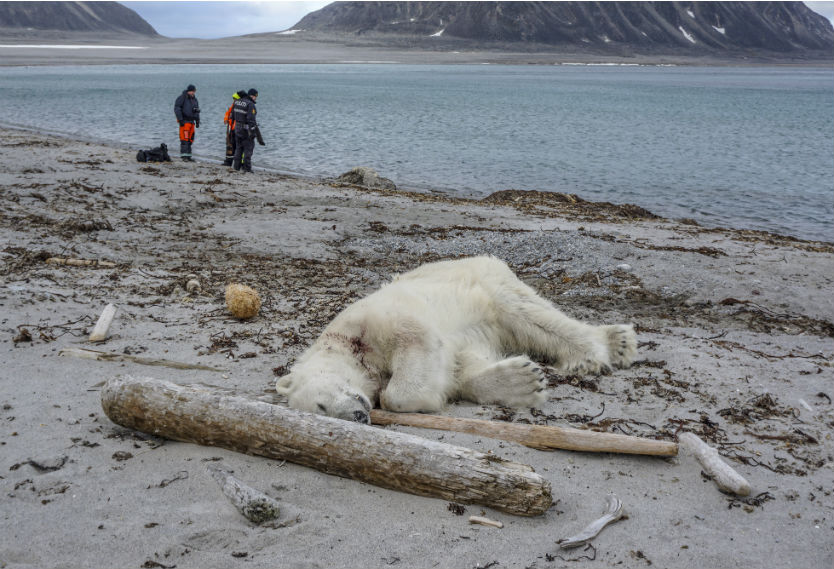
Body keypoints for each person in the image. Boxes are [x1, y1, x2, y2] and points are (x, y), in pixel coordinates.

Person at [232, 88, 265, 173]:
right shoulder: (250, 104)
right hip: (246, 130)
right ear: (252, 96)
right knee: (248, 149)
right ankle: (247, 168)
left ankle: (236, 167)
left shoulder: (237, 102)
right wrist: (253, 132)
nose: (255, 98)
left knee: (238, 149)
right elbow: (251, 119)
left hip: (237, 128)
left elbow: (233, 116)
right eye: (255, 96)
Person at [174, 84, 200, 162]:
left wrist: (197, 120)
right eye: (192, 91)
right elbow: (177, 108)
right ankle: (184, 156)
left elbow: (196, 110)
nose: (193, 93)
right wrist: (180, 120)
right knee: (184, 139)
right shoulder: (182, 98)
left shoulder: (195, 99)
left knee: (190, 139)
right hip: (184, 122)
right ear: (189, 91)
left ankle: (188, 156)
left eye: (194, 91)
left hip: (192, 122)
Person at [222, 90, 247, 166]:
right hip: (232, 128)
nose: (234, 100)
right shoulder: (234, 104)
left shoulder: (243, 105)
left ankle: (240, 163)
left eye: (235, 99)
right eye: (234, 99)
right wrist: (226, 119)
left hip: (239, 129)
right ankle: (228, 162)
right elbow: (228, 113)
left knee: (239, 147)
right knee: (230, 145)